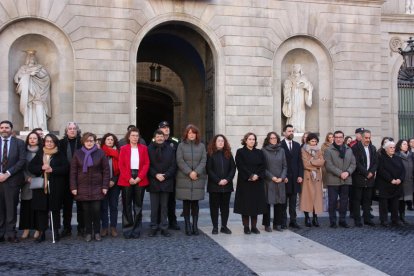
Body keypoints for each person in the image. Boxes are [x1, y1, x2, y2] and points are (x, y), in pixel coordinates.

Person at [29, 133, 69, 242]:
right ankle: (41, 233)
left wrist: (53, 170)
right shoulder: (40, 153)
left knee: (54, 210)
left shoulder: (59, 154)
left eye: (51, 141)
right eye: (47, 141)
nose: (49, 143)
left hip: (56, 186)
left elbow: (66, 168)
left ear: (55, 143)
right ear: (44, 142)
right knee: (41, 211)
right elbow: (31, 167)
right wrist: (41, 167)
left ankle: (55, 231)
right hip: (41, 187)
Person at [70, 132, 109, 242]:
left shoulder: (100, 153)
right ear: (83, 141)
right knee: (86, 212)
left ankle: (97, 232)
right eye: (87, 141)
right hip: (82, 187)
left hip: (97, 187)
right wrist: (73, 187)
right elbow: (73, 172)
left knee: (96, 211)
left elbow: (106, 171)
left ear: (95, 141)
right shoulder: (78, 154)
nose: (89, 143)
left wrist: (105, 186)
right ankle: (88, 232)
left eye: (91, 141)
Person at [118, 127, 149, 239]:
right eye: (133, 136)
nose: (135, 138)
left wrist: (139, 177)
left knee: (138, 206)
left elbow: (146, 164)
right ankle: (127, 228)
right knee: (126, 205)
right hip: (127, 178)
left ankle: (136, 229)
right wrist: (129, 178)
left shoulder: (144, 148)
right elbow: (121, 165)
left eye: (137, 136)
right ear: (129, 137)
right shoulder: (123, 149)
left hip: (140, 178)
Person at [176, 124, 207, 236]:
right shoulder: (181, 146)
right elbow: (179, 160)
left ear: (196, 134)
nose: (191, 135)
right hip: (185, 177)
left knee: (195, 204)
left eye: (193, 132)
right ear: (186, 134)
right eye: (189, 133)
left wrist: (196, 172)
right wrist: (189, 172)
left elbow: (204, 160)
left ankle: (195, 226)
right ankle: (187, 226)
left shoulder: (202, 146)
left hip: (197, 178)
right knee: (186, 203)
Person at [234, 132, 267, 234]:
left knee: (255, 205)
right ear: (245, 140)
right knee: (245, 205)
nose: (252, 141)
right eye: (250, 139)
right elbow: (240, 165)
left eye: (253, 139)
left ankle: (254, 226)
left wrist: (257, 175)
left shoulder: (259, 152)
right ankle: (246, 227)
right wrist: (250, 175)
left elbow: (263, 165)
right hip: (245, 182)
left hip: (257, 182)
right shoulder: (240, 152)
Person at [147, 129, 177, 237]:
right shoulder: (149, 149)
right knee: (154, 207)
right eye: (158, 136)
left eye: (161, 136)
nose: (160, 138)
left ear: (164, 137)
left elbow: (174, 165)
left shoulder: (170, 149)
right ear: (155, 137)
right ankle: (153, 227)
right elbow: (147, 164)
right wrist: (156, 175)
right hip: (154, 181)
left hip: (166, 181)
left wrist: (165, 175)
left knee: (164, 207)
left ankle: (164, 227)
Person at [0, 120, 26, 243]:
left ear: (11, 129)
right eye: (2, 127)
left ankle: (11, 233)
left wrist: (7, 173)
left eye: (7, 127)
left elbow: (22, 161)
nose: (4, 129)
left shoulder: (19, 143)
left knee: (11, 208)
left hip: (12, 180)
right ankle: (0, 233)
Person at [324, 130, 356, 228]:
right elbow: (328, 165)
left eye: (340, 137)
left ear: (343, 138)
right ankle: (333, 221)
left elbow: (353, 163)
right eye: (336, 137)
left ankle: (342, 220)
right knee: (332, 202)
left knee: (344, 202)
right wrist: (340, 173)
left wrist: (348, 172)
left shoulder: (349, 149)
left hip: (346, 179)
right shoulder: (329, 150)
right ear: (334, 138)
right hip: (333, 180)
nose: (338, 139)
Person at [14, 50, 51, 130]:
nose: (31, 58)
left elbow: (46, 77)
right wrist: (28, 75)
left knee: (39, 107)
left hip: (39, 92)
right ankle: (29, 127)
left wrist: (36, 73)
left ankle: (41, 127)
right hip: (28, 93)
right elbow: (16, 78)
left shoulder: (40, 67)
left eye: (33, 57)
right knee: (29, 108)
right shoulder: (23, 68)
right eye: (30, 57)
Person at [207, 134, 236, 235]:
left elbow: (233, 168)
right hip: (214, 186)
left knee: (225, 207)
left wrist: (227, 180)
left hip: (227, 186)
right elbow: (209, 170)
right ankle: (215, 227)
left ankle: (224, 226)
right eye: (219, 141)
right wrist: (218, 180)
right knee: (214, 207)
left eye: (222, 141)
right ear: (215, 142)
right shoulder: (210, 154)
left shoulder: (228, 154)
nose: (221, 142)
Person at [59, 122, 83, 237]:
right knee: (66, 206)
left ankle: (81, 228)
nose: (72, 130)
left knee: (81, 205)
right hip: (64, 178)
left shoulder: (83, 142)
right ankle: (67, 228)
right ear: (66, 131)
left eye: (74, 128)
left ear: (77, 130)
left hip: (80, 178)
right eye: (70, 128)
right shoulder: (60, 143)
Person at [261, 132, 287, 232]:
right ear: (268, 139)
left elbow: (285, 166)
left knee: (279, 202)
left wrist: (282, 177)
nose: (273, 140)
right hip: (269, 180)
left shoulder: (282, 150)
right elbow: (263, 167)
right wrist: (272, 177)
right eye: (271, 138)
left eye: (275, 138)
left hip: (280, 180)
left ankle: (278, 224)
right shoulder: (263, 151)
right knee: (268, 202)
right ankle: (267, 224)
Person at [351, 130, 377, 227]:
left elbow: (375, 162)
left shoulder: (373, 148)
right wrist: (366, 173)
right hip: (359, 177)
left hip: (370, 178)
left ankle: (367, 219)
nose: (368, 140)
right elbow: (356, 163)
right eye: (366, 138)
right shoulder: (355, 148)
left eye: (369, 138)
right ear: (361, 137)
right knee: (357, 199)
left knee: (367, 200)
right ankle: (357, 220)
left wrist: (371, 172)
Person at [376, 141, 405, 227]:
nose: (393, 149)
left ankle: (395, 219)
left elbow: (403, 170)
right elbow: (381, 171)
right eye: (390, 148)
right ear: (385, 149)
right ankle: (384, 220)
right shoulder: (381, 158)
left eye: (393, 147)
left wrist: (400, 179)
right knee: (383, 205)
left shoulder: (397, 158)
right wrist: (391, 179)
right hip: (384, 185)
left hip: (396, 185)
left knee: (395, 204)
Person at [19, 131, 42, 239]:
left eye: (35, 138)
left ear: (38, 140)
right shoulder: (23, 151)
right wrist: (26, 177)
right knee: (26, 207)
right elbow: (21, 166)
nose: (32, 140)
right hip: (26, 182)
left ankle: (38, 229)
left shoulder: (42, 152)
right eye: (30, 138)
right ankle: (26, 229)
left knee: (37, 206)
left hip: (38, 181)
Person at [280, 124, 303, 229]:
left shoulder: (297, 145)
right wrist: (282, 176)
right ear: (284, 133)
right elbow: (279, 163)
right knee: (283, 203)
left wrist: (300, 175)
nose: (291, 133)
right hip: (285, 178)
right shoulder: (280, 145)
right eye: (289, 131)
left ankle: (293, 221)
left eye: (292, 131)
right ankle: (283, 222)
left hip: (295, 179)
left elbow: (300, 162)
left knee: (293, 202)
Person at [158, 121, 180, 230]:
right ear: (159, 129)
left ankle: (173, 221)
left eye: (167, 127)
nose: (166, 129)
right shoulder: (156, 140)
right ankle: (159, 221)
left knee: (171, 200)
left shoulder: (175, 141)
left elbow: (178, 158)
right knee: (159, 201)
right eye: (163, 127)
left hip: (171, 175)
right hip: (159, 176)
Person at [300, 133, 325, 227]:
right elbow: (305, 164)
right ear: (308, 141)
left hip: (317, 177)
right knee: (307, 197)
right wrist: (315, 163)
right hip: (307, 176)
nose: (314, 143)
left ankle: (315, 217)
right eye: (312, 141)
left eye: (315, 141)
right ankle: (307, 217)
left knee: (316, 198)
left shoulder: (319, 150)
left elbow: (322, 162)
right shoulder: (303, 150)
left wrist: (312, 162)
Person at [100, 133, 121, 237]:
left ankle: (113, 227)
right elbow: (97, 170)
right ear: (104, 141)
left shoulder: (118, 153)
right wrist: (105, 182)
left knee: (114, 206)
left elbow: (121, 168)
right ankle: (104, 227)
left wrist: (113, 180)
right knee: (103, 207)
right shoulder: (100, 152)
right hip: (102, 184)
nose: (110, 141)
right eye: (108, 139)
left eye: (112, 139)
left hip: (115, 183)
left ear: (114, 141)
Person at [282, 64, 313, 133]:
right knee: (293, 112)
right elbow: (286, 87)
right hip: (293, 97)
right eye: (295, 67)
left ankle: (300, 128)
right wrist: (287, 97)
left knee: (301, 111)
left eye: (298, 67)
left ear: (300, 69)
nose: (296, 68)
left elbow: (310, 86)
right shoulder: (290, 78)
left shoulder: (304, 78)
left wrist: (304, 85)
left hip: (300, 97)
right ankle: (292, 129)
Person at [395, 139, 413, 225]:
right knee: (400, 201)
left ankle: (403, 217)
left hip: (409, 181)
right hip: (400, 182)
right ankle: (398, 218)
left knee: (406, 200)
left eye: (407, 144)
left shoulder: (411, 155)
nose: (406, 146)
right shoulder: (397, 155)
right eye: (404, 144)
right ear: (400, 146)